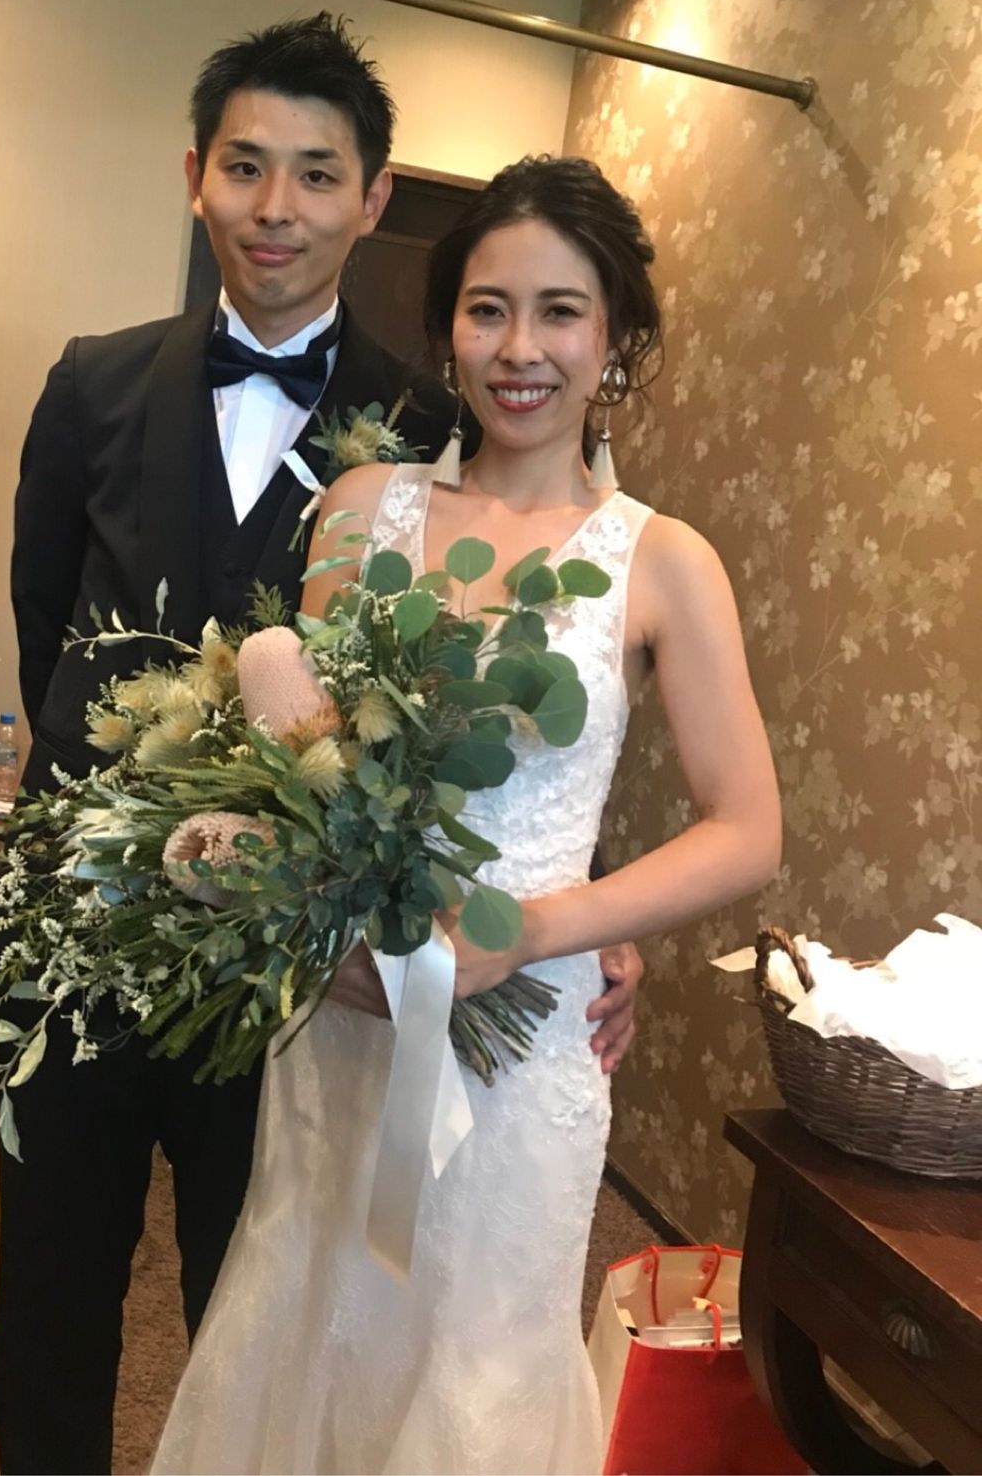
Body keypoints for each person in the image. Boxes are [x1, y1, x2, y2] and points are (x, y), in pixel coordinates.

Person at [0, 22, 643, 1475]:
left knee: (266, 1306)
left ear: (373, 197)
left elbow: (507, 683)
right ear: (196, 177)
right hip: (83, 931)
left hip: (308, 970)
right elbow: (48, 626)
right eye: (244, 167)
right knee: (50, 1291)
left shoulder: (433, 422)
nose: (274, 207)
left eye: (316, 173)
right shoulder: (93, 383)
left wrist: (579, 911)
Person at [150, 155, 782, 1476]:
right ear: (449, 325)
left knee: (481, 1356)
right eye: (488, 309)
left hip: (526, 1042)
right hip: (342, 1017)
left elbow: (746, 828)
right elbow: (302, 776)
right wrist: (311, 914)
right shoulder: (357, 514)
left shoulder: (663, 561)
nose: (520, 348)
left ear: (616, 337)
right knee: (309, 1320)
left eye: (561, 312)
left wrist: (544, 928)